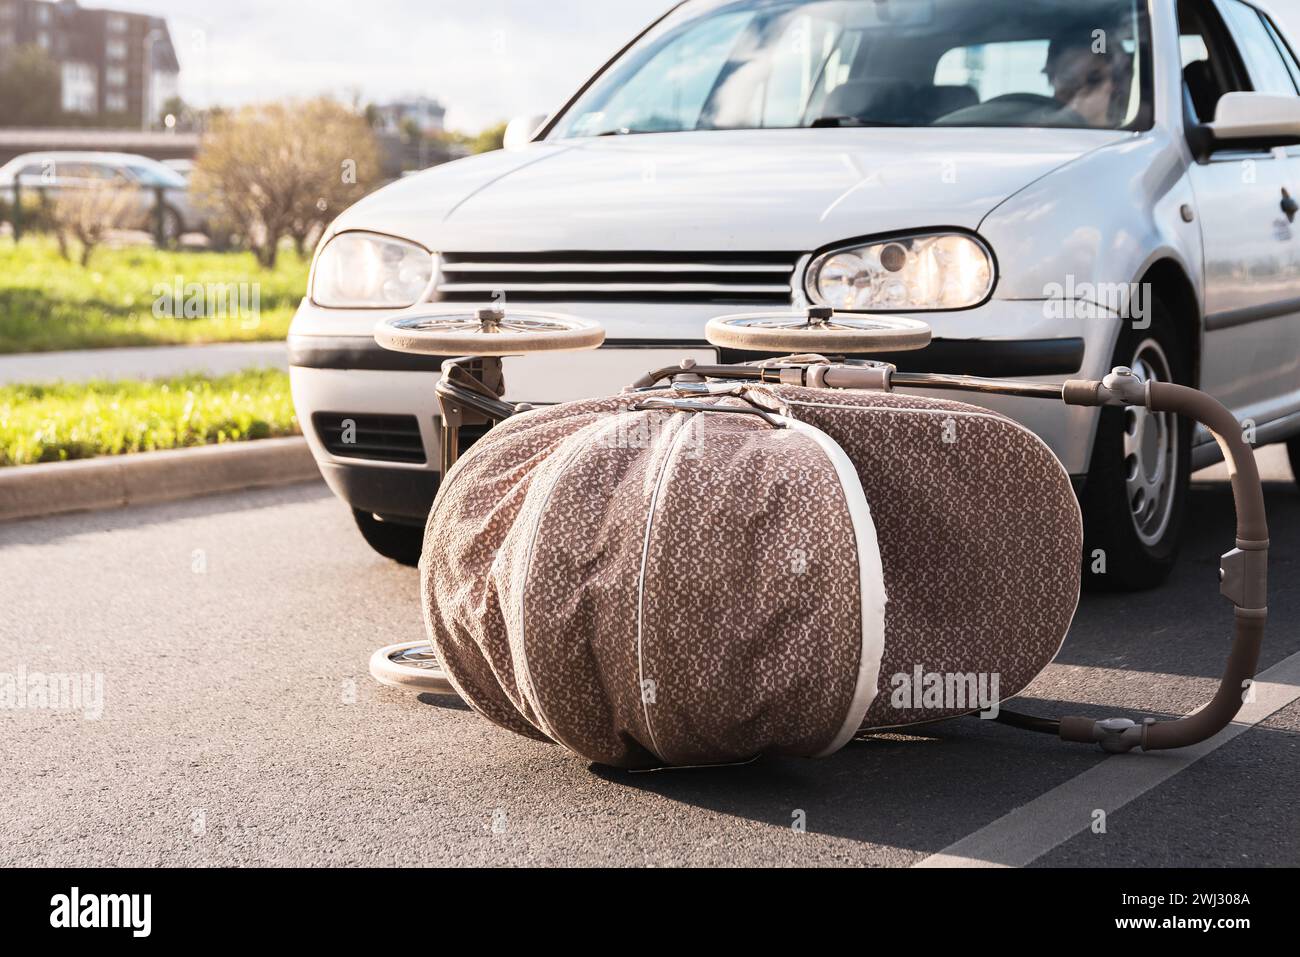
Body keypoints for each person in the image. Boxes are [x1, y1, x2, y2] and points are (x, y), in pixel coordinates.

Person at [1044, 31, 1131, 126]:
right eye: (1069, 82)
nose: (1081, 92)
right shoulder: (1036, 131)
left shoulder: (1141, 135)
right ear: (1052, 79)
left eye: (1094, 80)